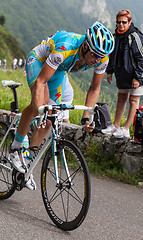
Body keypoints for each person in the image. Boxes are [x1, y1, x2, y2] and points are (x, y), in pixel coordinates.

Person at [10, 21, 114, 190]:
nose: (97, 60)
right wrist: (39, 111)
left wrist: (86, 117)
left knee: (50, 119)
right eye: (95, 55)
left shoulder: (102, 58)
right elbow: (41, 81)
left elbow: (95, 88)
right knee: (40, 107)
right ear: (86, 46)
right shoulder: (66, 47)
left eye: (101, 57)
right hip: (39, 61)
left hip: (59, 70)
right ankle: (16, 146)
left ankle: (26, 164)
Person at [101, 10, 143, 138]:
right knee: (121, 99)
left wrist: (138, 77)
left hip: (136, 75)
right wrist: (109, 72)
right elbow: (111, 55)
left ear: (129, 22)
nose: (121, 25)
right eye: (118, 22)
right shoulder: (115, 36)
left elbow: (141, 58)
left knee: (134, 100)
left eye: (124, 22)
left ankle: (125, 129)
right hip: (122, 74)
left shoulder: (135, 36)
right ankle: (115, 126)